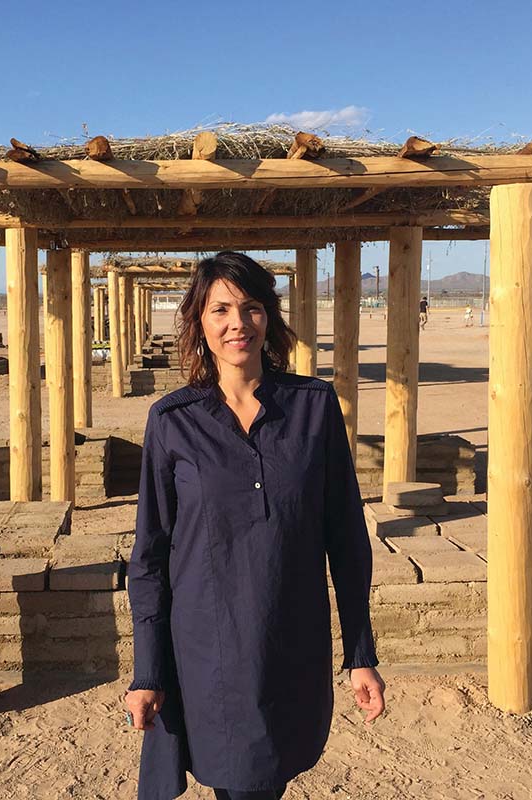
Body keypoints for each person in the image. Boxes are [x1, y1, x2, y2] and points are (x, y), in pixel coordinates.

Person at [124, 252, 386, 800]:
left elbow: (347, 540)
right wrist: (148, 670)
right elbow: (149, 556)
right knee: (242, 781)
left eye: (251, 307)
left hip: (292, 636)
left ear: (269, 317)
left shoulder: (312, 408)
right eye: (220, 309)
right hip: (208, 645)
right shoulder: (173, 421)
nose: (237, 323)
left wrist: (360, 654)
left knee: (273, 773)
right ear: (199, 321)